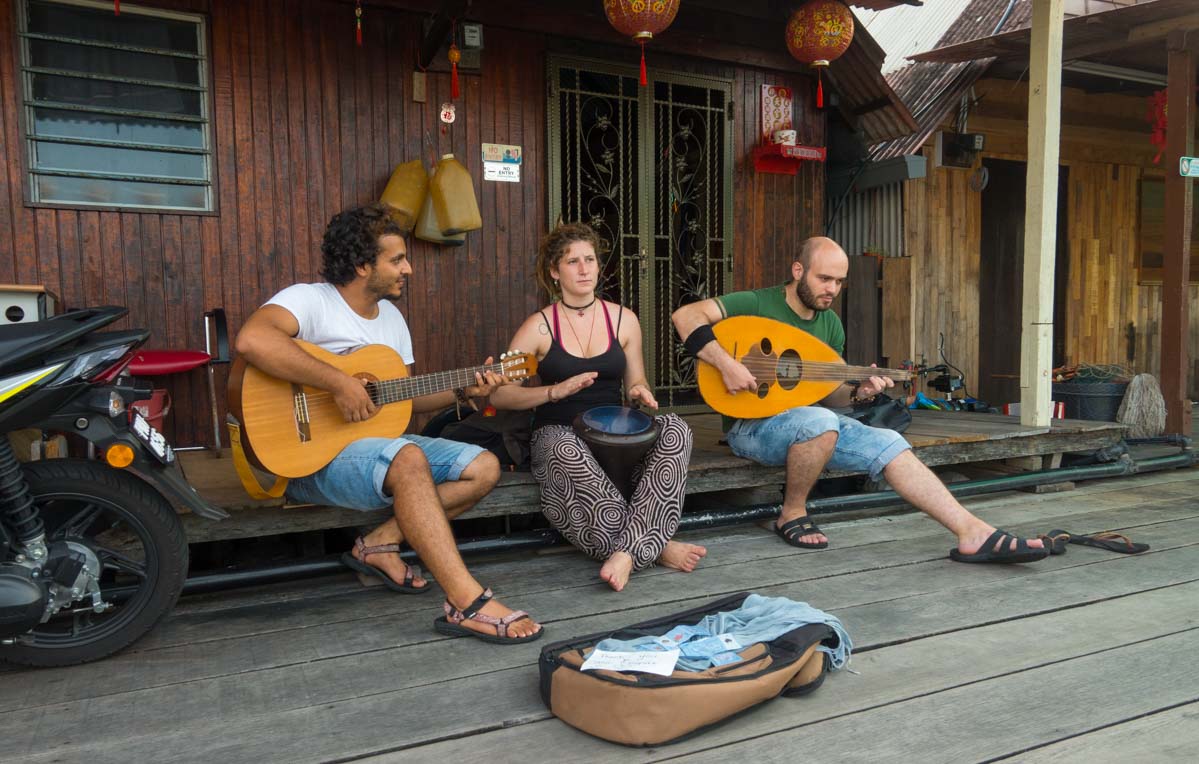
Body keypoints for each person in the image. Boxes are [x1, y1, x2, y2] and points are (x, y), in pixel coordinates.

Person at [233, 203, 542, 643]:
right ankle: (465, 601)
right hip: (304, 459)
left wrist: (465, 390)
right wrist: (339, 382)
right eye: (397, 260)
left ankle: (379, 542)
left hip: (371, 452)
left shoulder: (392, 320)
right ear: (362, 265)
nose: (408, 269)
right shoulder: (309, 300)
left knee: (483, 467)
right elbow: (252, 339)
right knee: (409, 454)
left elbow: (404, 400)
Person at [671, 236, 1047, 564]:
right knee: (818, 422)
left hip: (814, 427)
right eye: (824, 278)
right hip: (750, 427)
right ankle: (792, 512)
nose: (832, 289)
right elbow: (686, 315)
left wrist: (858, 391)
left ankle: (972, 531)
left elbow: (828, 397)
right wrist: (725, 363)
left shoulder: (829, 324)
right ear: (798, 270)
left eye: (839, 281)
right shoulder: (756, 303)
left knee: (889, 441)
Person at [490, 223, 706, 591]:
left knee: (676, 427)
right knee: (563, 445)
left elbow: (636, 381)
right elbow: (499, 395)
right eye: (572, 261)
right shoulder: (538, 327)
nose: (584, 268)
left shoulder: (624, 319)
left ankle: (627, 552)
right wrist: (553, 392)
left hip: (614, 435)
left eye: (590, 259)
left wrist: (641, 393)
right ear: (555, 272)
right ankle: (655, 547)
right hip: (559, 435)